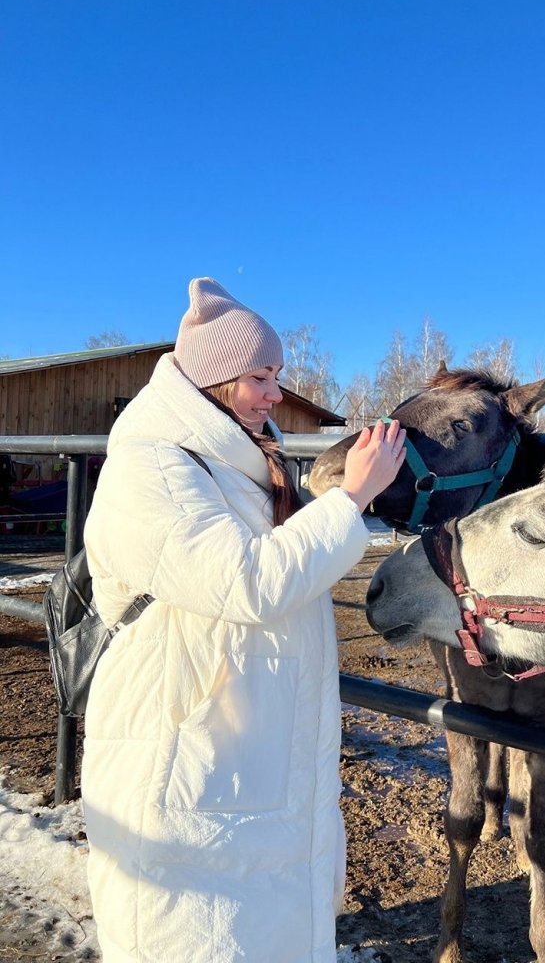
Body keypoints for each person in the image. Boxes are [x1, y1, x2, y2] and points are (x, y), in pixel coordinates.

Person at [81, 277, 406, 963]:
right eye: (260, 376)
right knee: (188, 929)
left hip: (237, 733)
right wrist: (353, 498)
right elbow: (248, 581)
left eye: (276, 376)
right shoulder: (154, 466)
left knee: (253, 921)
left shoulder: (235, 459)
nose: (275, 395)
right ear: (213, 377)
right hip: (181, 733)